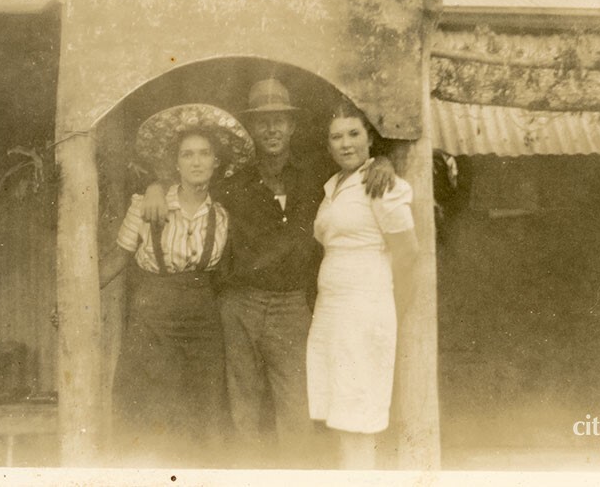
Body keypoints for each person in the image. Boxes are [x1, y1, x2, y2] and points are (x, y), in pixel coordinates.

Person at [140, 78, 396, 467]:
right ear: (251, 129)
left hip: (291, 305)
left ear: (292, 126)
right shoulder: (231, 183)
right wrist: (155, 185)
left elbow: (357, 161)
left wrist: (385, 161)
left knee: (296, 407)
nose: (272, 129)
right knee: (244, 407)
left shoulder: (317, 177)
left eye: (280, 121)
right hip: (240, 303)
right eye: (262, 122)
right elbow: (188, 184)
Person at [99, 103, 254, 468]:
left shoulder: (223, 214)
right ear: (176, 163)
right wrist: (75, 300)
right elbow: (116, 260)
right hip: (152, 318)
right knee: (152, 414)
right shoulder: (146, 205)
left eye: (204, 154)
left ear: (217, 162)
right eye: (188, 155)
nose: (197, 162)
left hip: (202, 322)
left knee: (203, 416)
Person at [306, 100, 418, 470]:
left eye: (354, 133)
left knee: (361, 409)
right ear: (327, 145)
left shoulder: (381, 184)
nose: (345, 143)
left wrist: (389, 308)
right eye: (336, 137)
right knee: (341, 408)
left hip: (365, 306)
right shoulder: (335, 185)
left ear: (370, 138)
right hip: (333, 310)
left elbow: (407, 253)